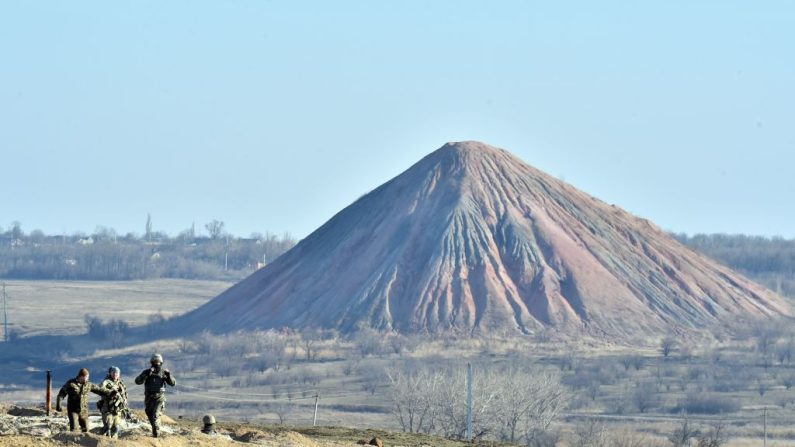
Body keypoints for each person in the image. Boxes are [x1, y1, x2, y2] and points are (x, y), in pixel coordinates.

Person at [55, 368, 114, 433]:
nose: (87, 379)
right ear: (81, 376)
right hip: (73, 410)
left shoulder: (88, 385)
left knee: (86, 430)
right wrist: (58, 404)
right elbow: (61, 394)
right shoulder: (71, 383)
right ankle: (73, 442)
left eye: (87, 377)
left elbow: (100, 390)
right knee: (74, 430)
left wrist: (111, 393)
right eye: (85, 377)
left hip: (84, 411)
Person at [134, 353, 176, 438]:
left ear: (161, 362)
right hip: (149, 398)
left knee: (156, 416)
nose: (157, 363)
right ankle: (154, 433)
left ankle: (157, 434)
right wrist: (146, 375)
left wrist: (168, 376)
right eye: (155, 361)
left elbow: (173, 383)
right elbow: (137, 381)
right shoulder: (147, 372)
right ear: (152, 362)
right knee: (150, 416)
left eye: (159, 362)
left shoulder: (164, 372)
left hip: (159, 398)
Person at [98, 366, 128, 438]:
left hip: (117, 410)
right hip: (107, 409)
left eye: (117, 373)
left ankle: (114, 443)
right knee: (107, 428)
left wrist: (125, 400)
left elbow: (125, 394)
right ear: (110, 373)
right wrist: (110, 392)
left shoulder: (121, 384)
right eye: (113, 372)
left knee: (116, 428)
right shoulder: (106, 382)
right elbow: (100, 388)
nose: (115, 374)